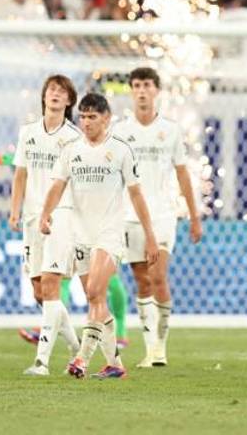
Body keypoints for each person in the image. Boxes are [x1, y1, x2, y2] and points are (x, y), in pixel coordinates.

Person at [41, 92, 159, 380]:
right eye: (82, 116)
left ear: (106, 118)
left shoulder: (120, 150)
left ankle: (81, 358)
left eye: (92, 116)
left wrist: (150, 236)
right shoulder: (71, 150)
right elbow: (57, 185)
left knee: (95, 291)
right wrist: (46, 213)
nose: (86, 122)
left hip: (110, 233)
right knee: (96, 301)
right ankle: (115, 364)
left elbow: (136, 194)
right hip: (81, 234)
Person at [0, 75, 85, 373]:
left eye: (62, 91)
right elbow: (20, 173)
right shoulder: (28, 132)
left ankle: (41, 362)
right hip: (32, 216)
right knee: (39, 292)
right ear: (44, 97)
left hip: (61, 216)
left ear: (69, 101)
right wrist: (14, 211)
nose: (55, 94)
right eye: (51, 90)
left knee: (51, 285)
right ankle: (76, 348)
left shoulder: (74, 137)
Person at [111, 67, 204, 368]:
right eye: (136, 85)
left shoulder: (171, 130)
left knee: (158, 276)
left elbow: (183, 174)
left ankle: (160, 347)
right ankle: (150, 349)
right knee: (142, 281)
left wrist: (194, 216)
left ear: (156, 91)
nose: (141, 91)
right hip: (129, 216)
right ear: (131, 91)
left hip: (163, 214)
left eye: (147, 85)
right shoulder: (120, 131)